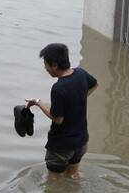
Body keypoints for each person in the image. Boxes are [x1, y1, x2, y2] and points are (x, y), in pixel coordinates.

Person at [26, 43, 97, 177]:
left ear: (54, 65)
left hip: (61, 146)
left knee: (53, 186)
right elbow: (95, 84)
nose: (45, 68)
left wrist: (38, 103)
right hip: (81, 143)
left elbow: (58, 119)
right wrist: (79, 98)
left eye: (46, 64)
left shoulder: (59, 88)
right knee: (72, 177)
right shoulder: (80, 73)